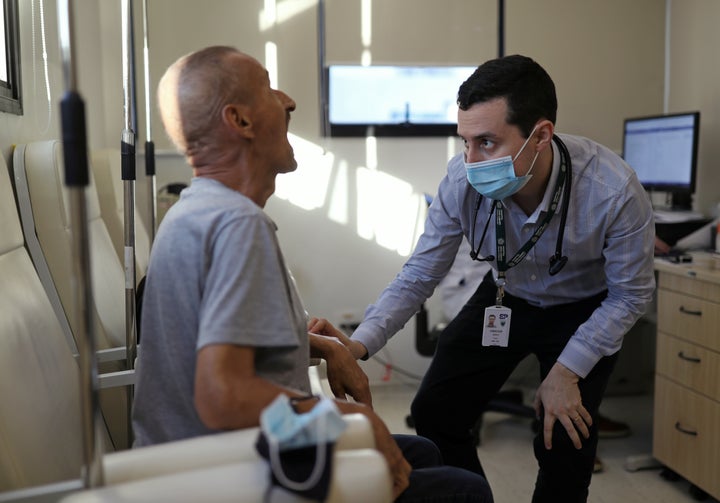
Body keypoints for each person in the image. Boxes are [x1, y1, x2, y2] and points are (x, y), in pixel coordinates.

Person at [131, 46, 492, 503]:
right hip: (230, 470)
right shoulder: (238, 225)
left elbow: (214, 346)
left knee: (419, 450)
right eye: (268, 89)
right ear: (240, 121)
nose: (288, 101)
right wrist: (348, 422)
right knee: (465, 492)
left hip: (196, 456)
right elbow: (224, 396)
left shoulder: (196, 211)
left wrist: (321, 345)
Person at [322, 55, 656, 501]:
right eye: (464, 142)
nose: (471, 160)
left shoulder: (612, 190)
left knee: (565, 438)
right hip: (507, 296)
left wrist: (567, 371)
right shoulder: (461, 180)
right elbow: (422, 271)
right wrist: (358, 344)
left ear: (540, 135)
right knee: (435, 410)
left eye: (487, 143)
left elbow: (631, 296)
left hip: (585, 311)